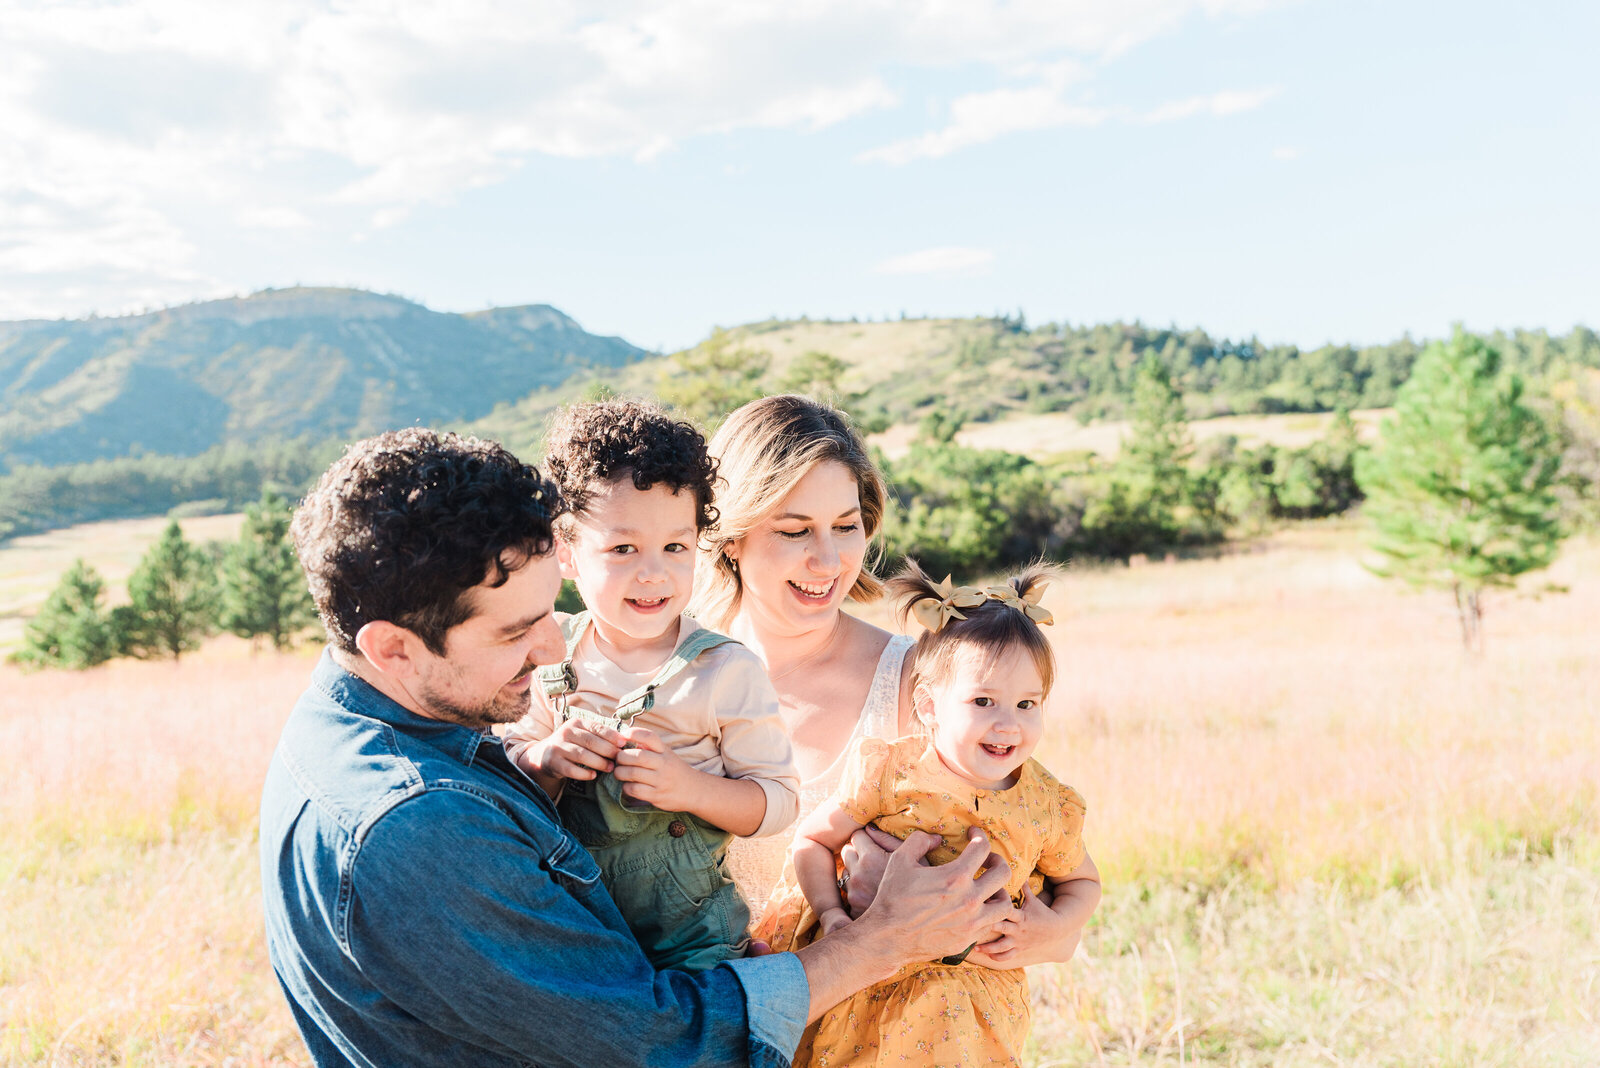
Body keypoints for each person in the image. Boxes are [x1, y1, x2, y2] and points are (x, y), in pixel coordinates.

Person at [260, 427, 1015, 1068]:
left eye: (546, 611)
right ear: (393, 647)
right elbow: (659, 1040)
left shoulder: (357, 720)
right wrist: (881, 942)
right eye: (514, 630)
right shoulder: (416, 826)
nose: (551, 647)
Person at [697, 395, 1089, 971]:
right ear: (731, 536)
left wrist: (1033, 930)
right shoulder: (675, 674)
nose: (827, 559)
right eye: (795, 530)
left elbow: (1049, 906)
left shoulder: (920, 684)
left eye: (846, 526)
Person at [755, 561, 1102, 1066]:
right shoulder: (893, 771)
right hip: (865, 989)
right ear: (930, 706)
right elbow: (812, 841)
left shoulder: (1047, 804)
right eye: (984, 700)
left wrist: (1051, 930)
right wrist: (831, 913)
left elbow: (1083, 884)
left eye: (1028, 704)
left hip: (971, 1017)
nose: (1009, 723)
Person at [500, 401, 799, 971]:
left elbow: (778, 802)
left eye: (675, 547)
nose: (653, 572)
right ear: (566, 552)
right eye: (622, 548)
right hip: (573, 925)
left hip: (694, 940)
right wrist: (546, 758)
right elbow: (509, 777)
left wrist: (689, 788)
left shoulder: (723, 670)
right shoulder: (547, 655)